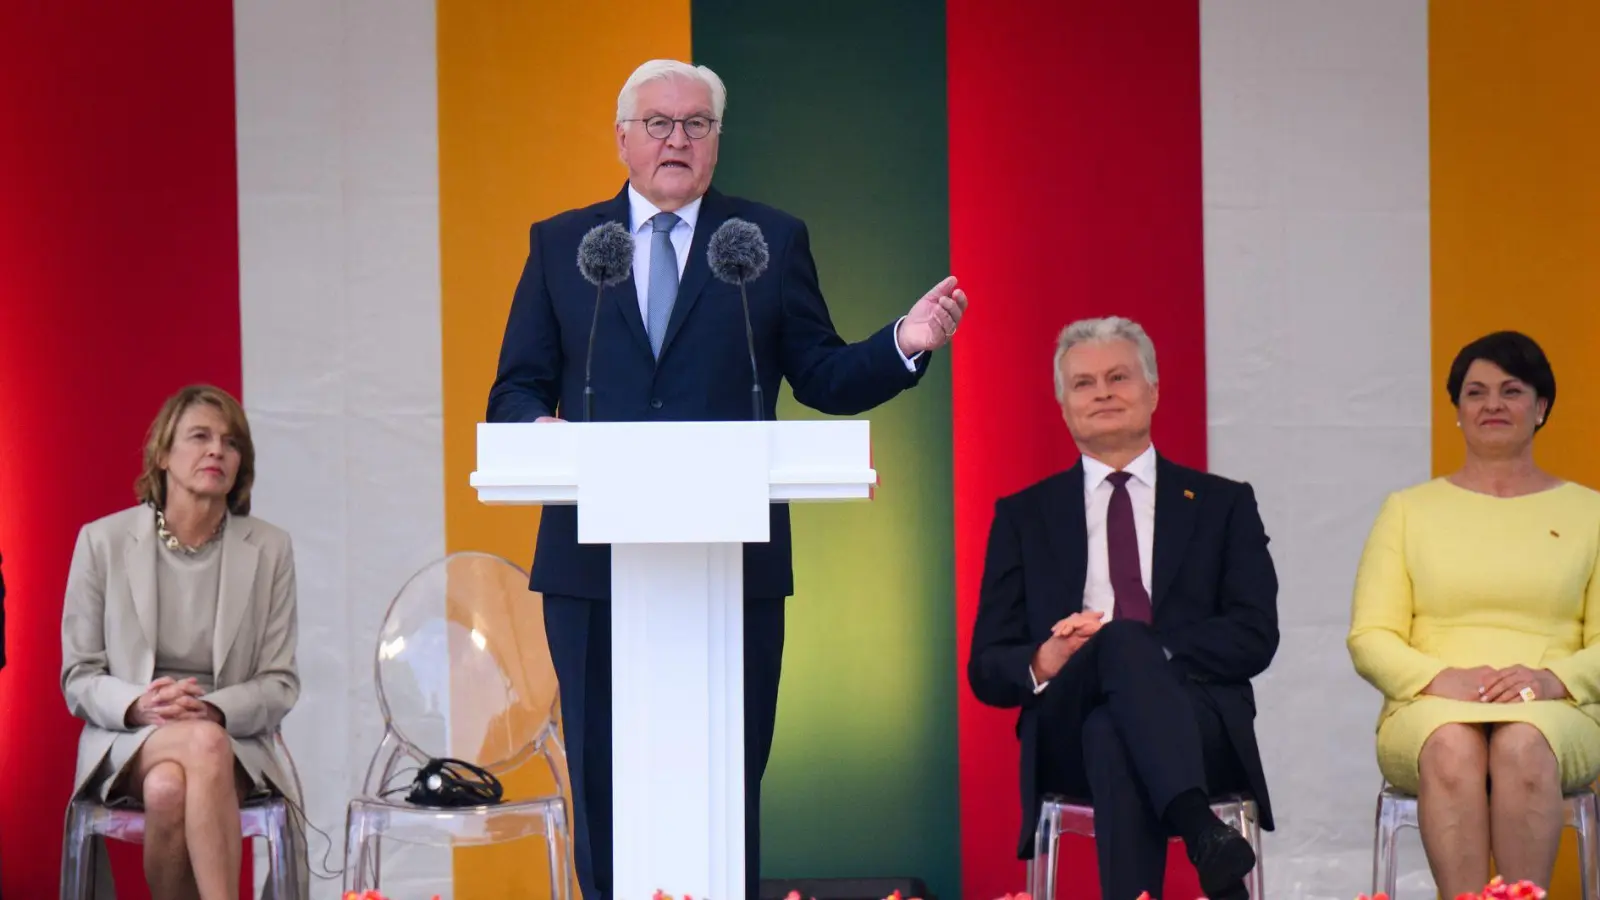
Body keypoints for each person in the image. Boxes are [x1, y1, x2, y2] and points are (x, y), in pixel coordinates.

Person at [487, 58, 967, 900]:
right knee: (602, 784)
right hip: (593, 565)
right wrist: (539, 430)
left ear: (717, 142)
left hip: (732, 556)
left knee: (725, 775)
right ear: (623, 139)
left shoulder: (767, 242)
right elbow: (517, 385)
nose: (678, 139)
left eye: (696, 124)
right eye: (659, 123)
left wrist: (906, 342)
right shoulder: (563, 244)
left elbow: (819, 372)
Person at [967, 316, 1277, 900]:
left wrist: (1146, 649)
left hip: (1195, 720)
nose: (1103, 392)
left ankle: (1191, 829)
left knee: (1114, 721)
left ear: (1153, 391)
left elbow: (1256, 635)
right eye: (1084, 383)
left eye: (1119, 376)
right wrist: (1050, 656)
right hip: (1065, 722)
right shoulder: (1023, 516)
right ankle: (1202, 835)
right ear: (1064, 406)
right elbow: (987, 667)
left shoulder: (1223, 504)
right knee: (1113, 667)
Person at [1347, 331, 1600, 897]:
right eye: (1476, 392)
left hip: (1557, 705)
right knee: (1453, 743)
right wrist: (1441, 680)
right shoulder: (1408, 510)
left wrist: (1550, 680)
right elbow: (1370, 636)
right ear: (1457, 411)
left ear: (1541, 408)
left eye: (1511, 391)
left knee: (1520, 743)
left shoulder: (1591, 512)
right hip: (1427, 704)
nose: (1492, 405)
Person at [61, 385, 304, 900]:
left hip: (232, 736)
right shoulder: (101, 542)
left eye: (231, 442)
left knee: (169, 789)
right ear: (164, 454)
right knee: (196, 748)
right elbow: (78, 676)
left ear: (241, 464)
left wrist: (212, 710)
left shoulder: (270, 548)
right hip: (128, 736)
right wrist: (139, 703)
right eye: (200, 436)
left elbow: (280, 683)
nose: (217, 450)